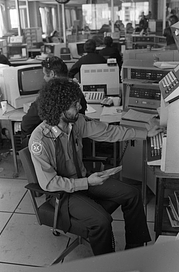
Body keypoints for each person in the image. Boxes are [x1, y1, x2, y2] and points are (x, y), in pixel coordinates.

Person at [29, 77, 163, 256]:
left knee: (132, 194)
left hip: (84, 180)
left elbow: (108, 132)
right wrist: (87, 182)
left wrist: (145, 133)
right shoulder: (39, 140)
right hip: (62, 194)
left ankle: (135, 248)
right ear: (60, 109)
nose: (79, 108)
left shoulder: (75, 122)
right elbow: (50, 183)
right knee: (101, 220)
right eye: (74, 105)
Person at [21, 56, 87, 147]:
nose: (44, 78)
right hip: (75, 140)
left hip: (53, 144)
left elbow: (27, 123)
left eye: (44, 74)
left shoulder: (50, 94)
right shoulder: (75, 89)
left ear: (52, 74)